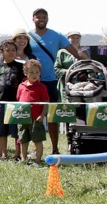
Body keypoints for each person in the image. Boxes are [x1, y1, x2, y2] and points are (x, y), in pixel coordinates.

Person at [28, 8, 84, 154]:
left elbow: (74, 51)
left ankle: (54, 148)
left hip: (51, 82)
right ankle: (36, 148)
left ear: (48, 19)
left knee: (52, 116)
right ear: (32, 19)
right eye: (38, 16)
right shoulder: (27, 36)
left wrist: (88, 61)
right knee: (34, 116)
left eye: (44, 16)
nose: (41, 19)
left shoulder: (57, 35)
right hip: (33, 83)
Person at [0, 39, 25, 161]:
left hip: (15, 103)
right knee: (1, 129)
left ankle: (17, 153)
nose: (11, 53)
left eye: (13, 50)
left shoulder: (21, 67)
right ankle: (2, 153)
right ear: (2, 52)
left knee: (16, 130)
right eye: (7, 50)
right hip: (1, 101)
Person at [17, 59, 48, 164]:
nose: (34, 75)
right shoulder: (21, 86)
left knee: (37, 140)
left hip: (36, 118)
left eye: (37, 72)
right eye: (31, 72)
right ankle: (23, 159)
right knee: (23, 139)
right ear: (25, 73)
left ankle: (38, 160)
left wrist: (42, 115)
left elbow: (46, 103)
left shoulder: (42, 87)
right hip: (23, 118)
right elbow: (18, 101)